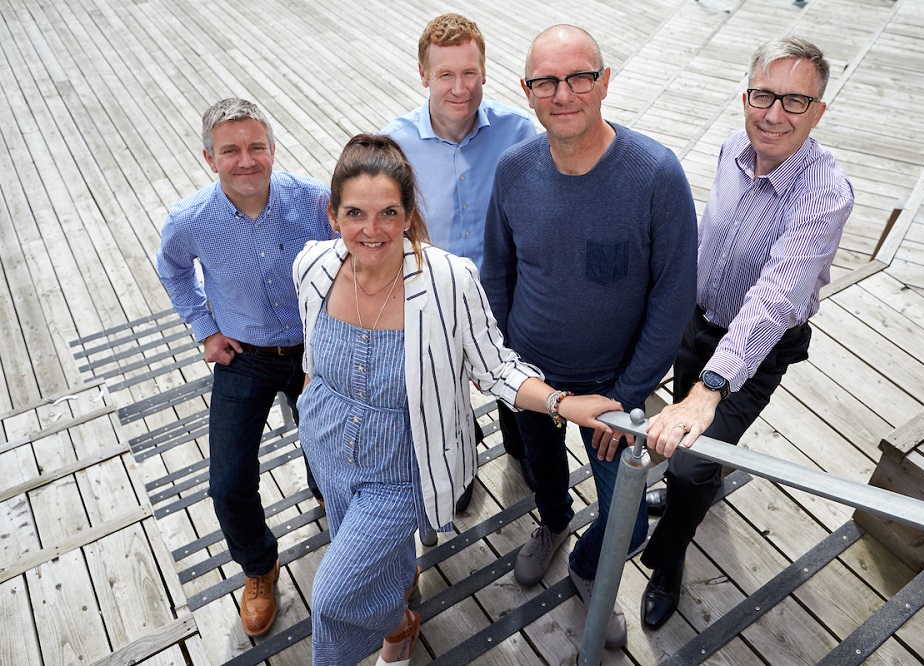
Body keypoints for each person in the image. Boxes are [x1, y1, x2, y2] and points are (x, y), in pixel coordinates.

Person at [293, 133, 621, 666]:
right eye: (355, 213)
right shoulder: (312, 267)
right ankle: (400, 624)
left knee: (332, 598)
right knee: (383, 562)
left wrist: (565, 403)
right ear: (332, 216)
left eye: (387, 214)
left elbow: (496, 368)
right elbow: (311, 351)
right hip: (326, 446)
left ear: (407, 216)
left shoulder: (448, 280)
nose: (371, 230)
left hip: (402, 466)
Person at [481, 25, 698, 648]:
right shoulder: (514, 169)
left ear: (605, 82)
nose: (564, 93)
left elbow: (672, 295)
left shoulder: (654, 174)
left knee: (626, 524)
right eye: (547, 81)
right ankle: (552, 526)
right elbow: (498, 271)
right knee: (541, 474)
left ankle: (588, 565)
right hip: (532, 378)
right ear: (527, 92)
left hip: (615, 388)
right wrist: (506, 366)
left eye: (579, 77)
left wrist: (629, 396)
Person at [638, 36, 855, 630]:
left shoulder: (824, 194)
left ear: (818, 111)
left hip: (755, 353)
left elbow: (776, 298)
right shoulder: (734, 147)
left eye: (794, 100)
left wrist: (709, 388)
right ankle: (685, 499)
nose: (774, 114)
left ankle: (668, 559)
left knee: (689, 464)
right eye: (764, 95)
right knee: (686, 455)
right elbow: (708, 239)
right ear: (745, 97)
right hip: (698, 321)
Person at [156, 98, 332, 637]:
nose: (246, 160)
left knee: (333, 455)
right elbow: (173, 271)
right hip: (245, 357)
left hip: (316, 348)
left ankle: (331, 499)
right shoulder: (190, 221)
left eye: (257, 146)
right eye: (230, 150)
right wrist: (205, 329)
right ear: (210, 158)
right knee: (228, 483)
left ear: (273, 149)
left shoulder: (315, 200)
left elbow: (355, 253)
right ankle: (259, 567)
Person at [382, 13, 539, 508]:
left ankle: (522, 450)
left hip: (507, 292)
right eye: (445, 74)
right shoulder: (396, 143)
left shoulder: (519, 131)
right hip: (432, 295)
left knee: (519, 396)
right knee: (445, 401)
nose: (459, 88)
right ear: (424, 74)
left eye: (469, 73)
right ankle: (459, 465)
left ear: (485, 71)